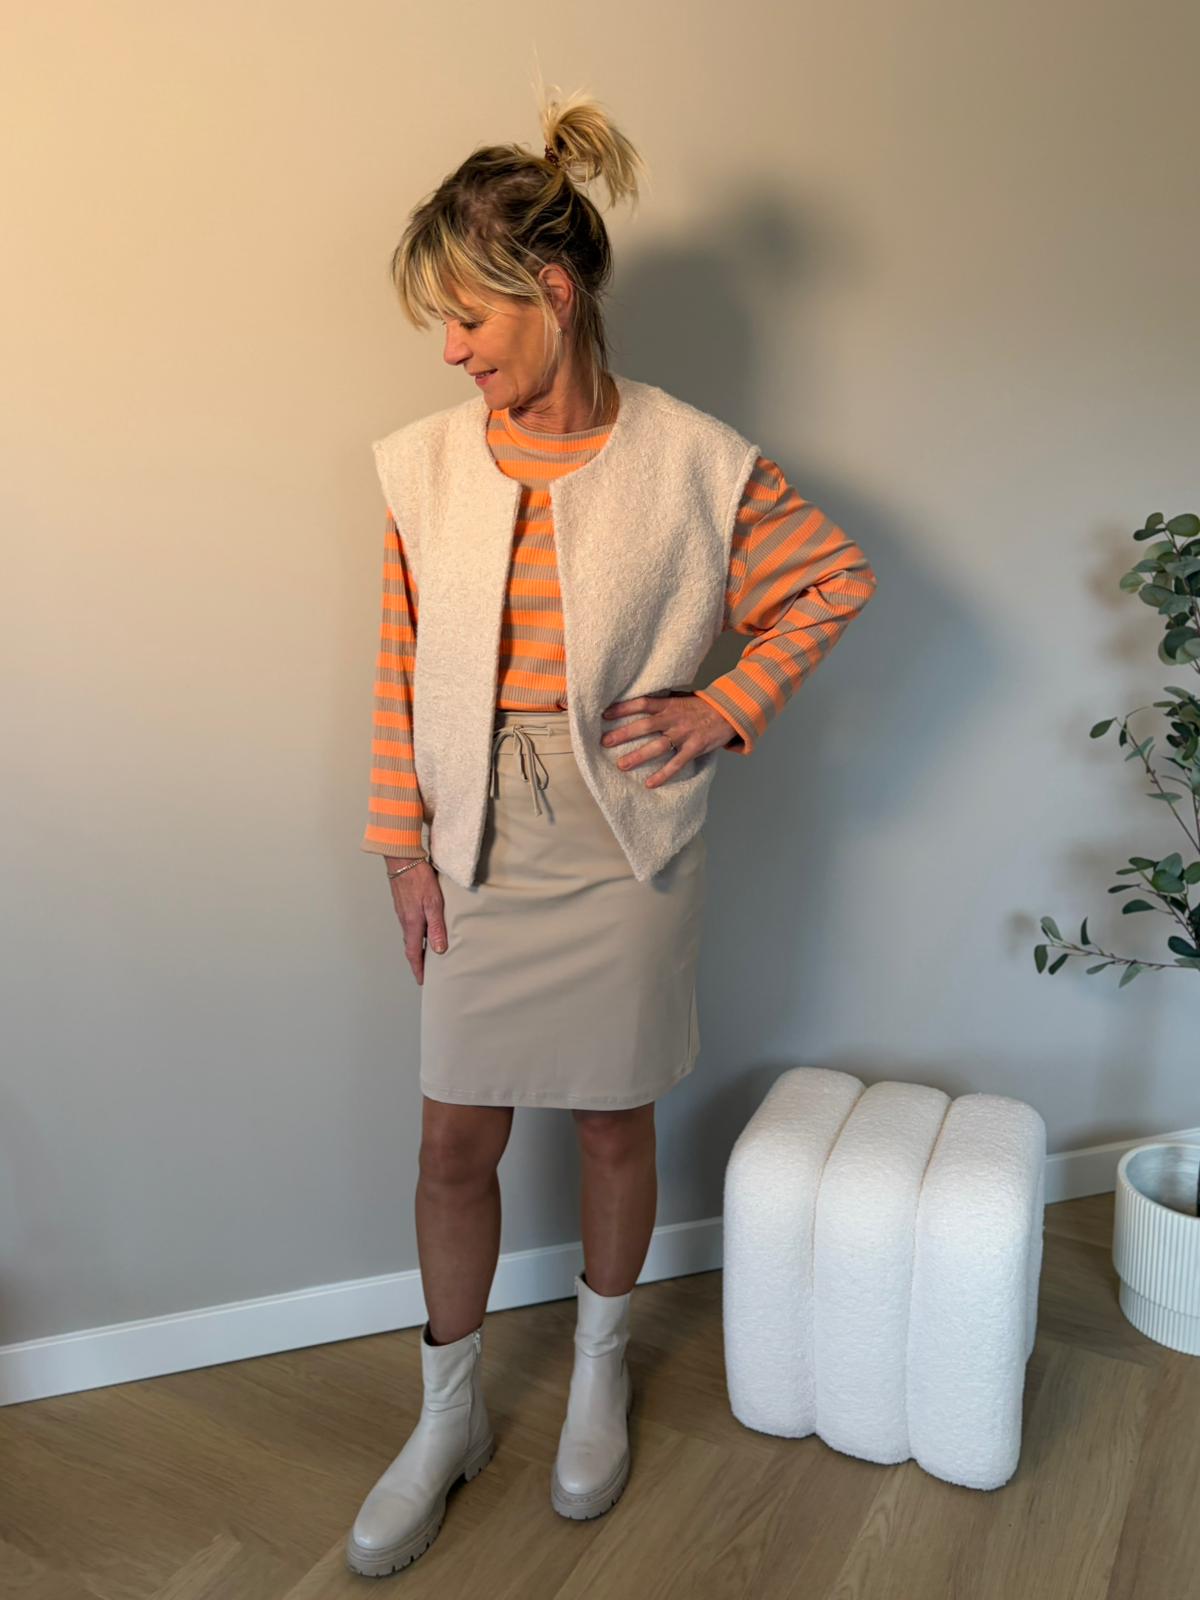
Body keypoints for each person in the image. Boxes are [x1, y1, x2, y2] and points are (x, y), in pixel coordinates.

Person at [346, 87, 879, 1578]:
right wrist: (402, 846)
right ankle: (447, 1415)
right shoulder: (422, 466)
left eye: (468, 319)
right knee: (452, 1138)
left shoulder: (697, 461)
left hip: (625, 840)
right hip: (477, 833)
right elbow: (399, 665)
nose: (452, 352)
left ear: (552, 292)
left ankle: (596, 1375)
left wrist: (722, 707)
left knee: (609, 1118)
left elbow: (831, 581)